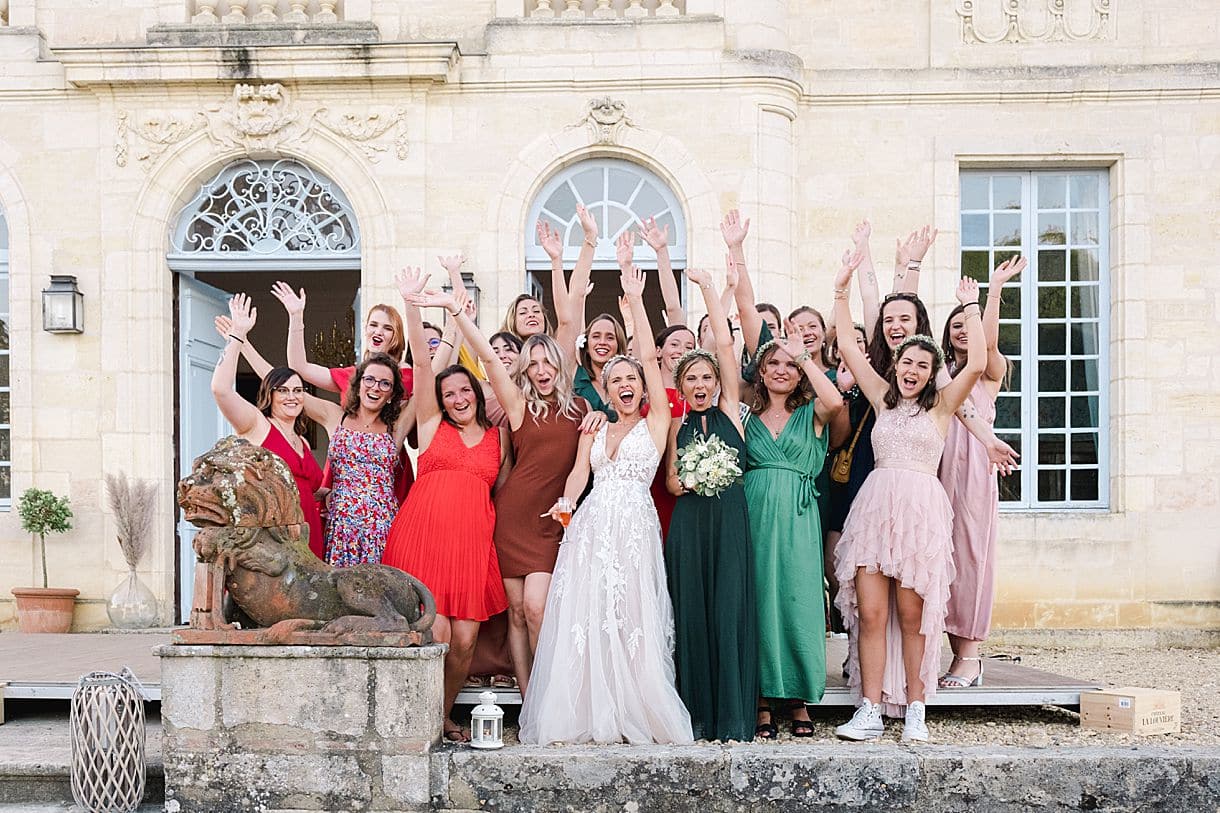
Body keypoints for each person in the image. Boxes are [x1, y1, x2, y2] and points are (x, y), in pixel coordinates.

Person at [519, 266, 692, 745]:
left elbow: (654, 372)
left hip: (635, 523)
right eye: (615, 379)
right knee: (588, 616)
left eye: (630, 377)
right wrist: (566, 503)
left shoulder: (656, 422)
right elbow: (578, 473)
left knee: (633, 614)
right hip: (591, 527)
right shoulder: (594, 426)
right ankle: (588, 711)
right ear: (607, 388)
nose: (624, 384)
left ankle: (635, 707)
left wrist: (636, 302)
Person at [832, 249, 986, 743]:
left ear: (930, 370)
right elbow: (851, 350)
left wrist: (969, 308)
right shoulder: (880, 398)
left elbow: (979, 360)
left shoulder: (942, 407)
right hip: (876, 509)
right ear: (896, 365)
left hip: (920, 513)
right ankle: (870, 709)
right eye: (906, 362)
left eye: (922, 364)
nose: (912, 370)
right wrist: (841, 287)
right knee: (871, 613)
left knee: (912, 615)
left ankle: (917, 707)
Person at [446, 289, 600, 698]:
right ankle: (531, 697)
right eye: (532, 364)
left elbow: (581, 466)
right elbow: (491, 361)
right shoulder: (518, 407)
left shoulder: (582, 408)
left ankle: (553, 693)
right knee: (516, 612)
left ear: (560, 364)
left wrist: (568, 503)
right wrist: (458, 314)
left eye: (547, 361)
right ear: (526, 372)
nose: (541, 370)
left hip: (553, 519)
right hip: (512, 516)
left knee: (537, 607)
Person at [381, 272, 510, 743]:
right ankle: (423, 718)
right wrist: (413, 306)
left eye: (465, 392)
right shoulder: (434, 426)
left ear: (477, 396)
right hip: (424, 540)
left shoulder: (499, 439)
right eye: (450, 392)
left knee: (467, 642)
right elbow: (421, 358)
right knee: (436, 634)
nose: (457, 398)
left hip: (472, 547)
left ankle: (441, 712)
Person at [664, 265, 757, 742]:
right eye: (691, 378)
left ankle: (732, 718)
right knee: (692, 615)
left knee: (727, 611)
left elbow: (726, 346)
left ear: (717, 383)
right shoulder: (675, 429)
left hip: (730, 526)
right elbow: (671, 483)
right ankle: (696, 716)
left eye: (706, 377)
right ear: (680, 387)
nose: (700, 383)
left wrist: (706, 290)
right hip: (690, 528)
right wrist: (691, 476)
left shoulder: (729, 414)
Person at [746, 328, 843, 739]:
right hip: (754, 514)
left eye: (788, 365)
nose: (781, 371)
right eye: (773, 364)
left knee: (798, 597)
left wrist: (802, 355)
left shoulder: (811, 414)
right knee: (760, 598)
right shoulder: (745, 416)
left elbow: (836, 400)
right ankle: (763, 696)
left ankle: (799, 695)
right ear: (761, 372)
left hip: (800, 517)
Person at [937, 255, 1025, 688]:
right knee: (940, 557)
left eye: (964, 322)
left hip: (973, 467)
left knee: (971, 555)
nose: (960, 328)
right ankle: (948, 649)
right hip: (937, 469)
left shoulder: (988, 372)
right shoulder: (938, 372)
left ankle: (968, 656)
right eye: (953, 322)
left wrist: (988, 296)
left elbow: (986, 347)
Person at [270, 283, 417, 505]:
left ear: (396, 336)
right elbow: (300, 367)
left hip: (385, 468)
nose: (378, 331)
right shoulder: (352, 374)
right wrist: (296, 316)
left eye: (387, 328)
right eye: (373, 325)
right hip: (346, 465)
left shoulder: (408, 375)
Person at [209, 294, 324, 559]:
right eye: (282, 390)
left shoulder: (302, 441)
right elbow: (220, 389)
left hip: (310, 532)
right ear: (269, 395)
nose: (292, 396)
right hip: (274, 536)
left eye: (298, 390)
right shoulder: (257, 425)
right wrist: (237, 335)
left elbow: (309, 487)